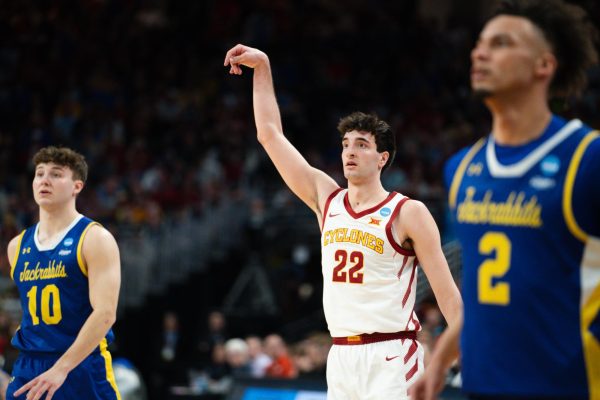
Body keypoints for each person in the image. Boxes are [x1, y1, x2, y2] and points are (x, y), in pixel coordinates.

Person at [224, 44, 463, 399]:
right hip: (341, 357)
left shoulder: (408, 212)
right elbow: (270, 135)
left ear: (382, 158)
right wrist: (263, 68)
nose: (350, 151)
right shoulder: (327, 198)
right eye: (346, 144)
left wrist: (458, 355)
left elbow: (449, 299)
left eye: (362, 145)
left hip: (392, 355)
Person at [410, 0, 600, 399]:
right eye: (480, 44)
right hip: (482, 386)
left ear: (543, 66)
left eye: (501, 43)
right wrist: (441, 361)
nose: (480, 53)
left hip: (568, 388)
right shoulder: (461, 169)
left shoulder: (588, 159)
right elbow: (483, 292)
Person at [6, 146, 121, 400]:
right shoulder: (17, 246)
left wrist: (61, 368)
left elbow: (105, 314)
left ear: (77, 186)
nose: (44, 180)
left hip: (80, 366)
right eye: (39, 173)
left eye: (56, 174)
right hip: (29, 367)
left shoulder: (94, 238)